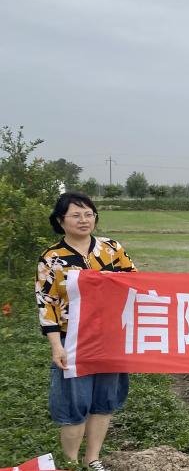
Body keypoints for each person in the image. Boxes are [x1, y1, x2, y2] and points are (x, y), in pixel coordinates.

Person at [35, 192, 137, 471]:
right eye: (76, 215)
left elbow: (135, 282)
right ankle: (71, 463)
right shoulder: (52, 258)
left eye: (89, 214)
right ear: (61, 221)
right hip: (72, 338)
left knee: (104, 400)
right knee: (74, 403)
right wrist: (56, 346)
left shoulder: (111, 249)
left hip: (110, 337)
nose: (84, 220)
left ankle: (92, 458)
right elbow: (47, 304)